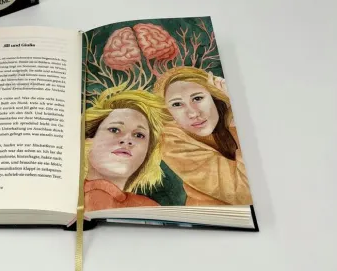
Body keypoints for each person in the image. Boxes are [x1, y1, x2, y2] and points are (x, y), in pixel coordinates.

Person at [153, 66, 253, 206]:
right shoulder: (172, 140)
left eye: (198, 98)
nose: (193, 113)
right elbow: (246, 193)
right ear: (168, 112)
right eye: (177, 104)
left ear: (214, 96)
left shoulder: (232, 110)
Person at [84, 88, 169, 212]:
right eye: (114, 130)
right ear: (89, 139)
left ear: (148, 153)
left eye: (139, 135)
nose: (127, 140)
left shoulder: (148, 208)